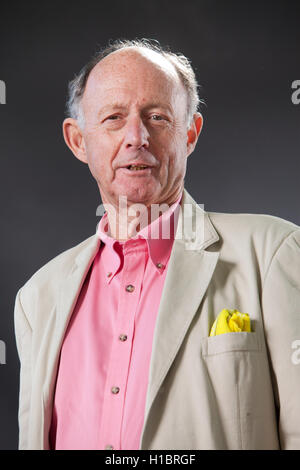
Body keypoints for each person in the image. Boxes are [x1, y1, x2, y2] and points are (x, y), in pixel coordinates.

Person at [14, 39, 300, 450]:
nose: (137, 136)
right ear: (78, 141)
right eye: (114, 118)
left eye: (158, 117)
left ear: (190, 133)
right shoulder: (36, 300)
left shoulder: (274, 253)